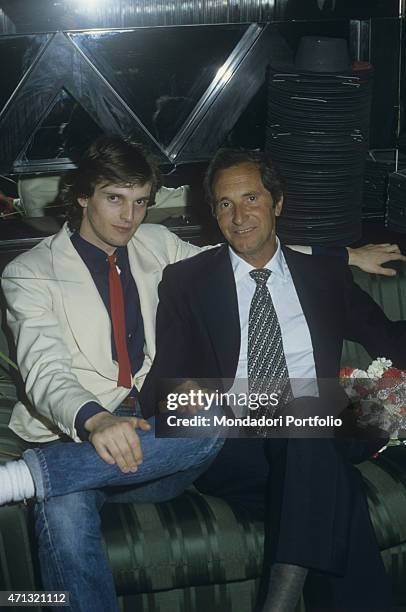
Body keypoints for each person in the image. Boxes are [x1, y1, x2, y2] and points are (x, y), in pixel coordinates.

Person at [0, 136, 404, 612]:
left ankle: (26, 479)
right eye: (114, 198)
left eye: (141, 202)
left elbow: (254, 247)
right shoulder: (31, 273)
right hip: (106, 430)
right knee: (67, 507)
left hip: (234, 432)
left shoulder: (155, 245)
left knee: (297, 426)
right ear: (84, 195)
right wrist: (95, 418)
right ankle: (37, 476)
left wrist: (343, 257)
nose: (129, 217)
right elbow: (44, 368)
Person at [140, 148, 406, 612]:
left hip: (328, 425)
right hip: (238, 447)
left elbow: (386, 336)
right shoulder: (187, 282)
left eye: (251, 198)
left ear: (277, 202)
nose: (239, 216)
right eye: (225, 204)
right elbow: (162, 395)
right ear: (214, 213)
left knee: (314, 422)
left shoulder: (323, 275)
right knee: (326, 481)